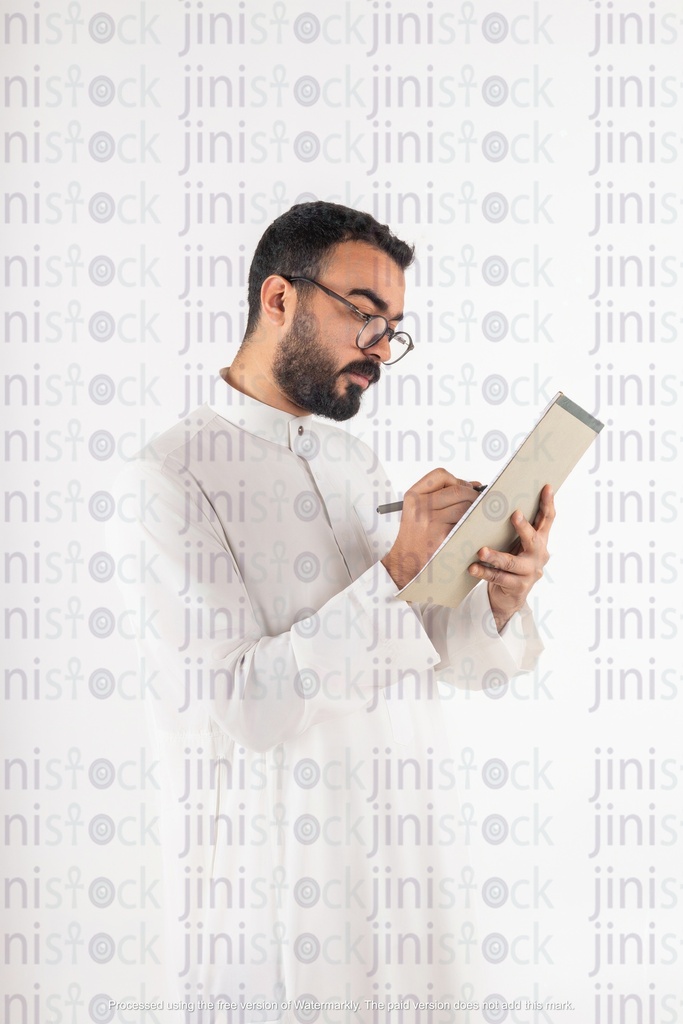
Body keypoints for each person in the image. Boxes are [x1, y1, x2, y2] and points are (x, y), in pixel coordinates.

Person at [110, 202, 554, 1022]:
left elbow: (414, 646)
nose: (380, 348)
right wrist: (398, 566)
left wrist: (497, 596)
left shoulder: (353, 461)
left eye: (394, 330)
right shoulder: (171, 475)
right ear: (279, 298)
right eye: (364, 314)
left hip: (406, 863)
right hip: (280, 886)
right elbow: (247, 702)